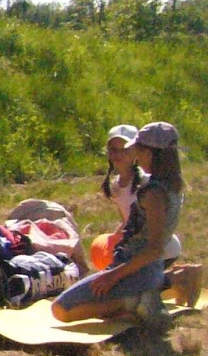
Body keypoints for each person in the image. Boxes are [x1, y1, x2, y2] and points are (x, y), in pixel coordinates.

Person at [53, 122, 187, 325]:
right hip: (136, 267)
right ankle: (137, 301)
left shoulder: (154, 193)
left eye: (137, 149)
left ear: (149, 153)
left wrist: (113, 276)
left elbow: (155, 249)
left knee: (61, 309)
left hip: (137, 271)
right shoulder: (170, 185)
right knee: (68, 306)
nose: (135, 155)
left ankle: (135, 301)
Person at [92, 123, 203, 306]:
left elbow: (154, 235)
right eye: (113, 150)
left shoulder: (148, 185)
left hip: (158, 249)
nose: (118, 155)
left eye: (124, 149)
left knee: (119, 293)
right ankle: (173, 278)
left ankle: (179, 278)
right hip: (140, 248)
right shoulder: (116, 185)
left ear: (138, 152)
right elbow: (130, 220)